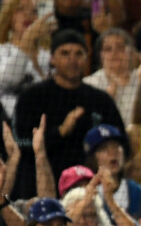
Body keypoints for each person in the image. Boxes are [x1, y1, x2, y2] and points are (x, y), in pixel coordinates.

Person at [12, 29, 125, 199]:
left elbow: (122, 141)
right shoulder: (32, 97)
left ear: (87, 58)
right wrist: (59, 132)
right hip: (38, 186)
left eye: (79, 53)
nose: (72, 60)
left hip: (88, 188)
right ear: (52, 58)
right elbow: (20, 143)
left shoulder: (100, 100)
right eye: (65, 53)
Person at [83, 124, 141, 218]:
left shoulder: (137, 191)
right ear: (92, 158)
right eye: (103, 148)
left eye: (116, 146)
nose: (113, 152)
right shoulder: (84, 194)